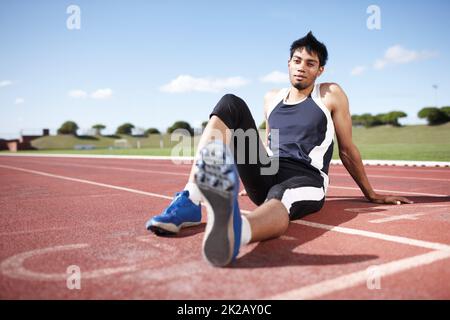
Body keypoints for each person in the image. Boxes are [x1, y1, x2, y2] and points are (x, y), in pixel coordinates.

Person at [146, 31, 413, 267]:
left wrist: (371, 193)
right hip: (269, 169)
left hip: (306, 177)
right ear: (288, 64)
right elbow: (268, 145)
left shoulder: (330, 94)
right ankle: (191, 199)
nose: (302, 68)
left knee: (281, 195)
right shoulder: (271, 99)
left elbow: (346, 149)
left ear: (320, 70)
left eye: (310, 63)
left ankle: (236, 232)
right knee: (230, 103)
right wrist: (244, 175)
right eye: (297, 61)